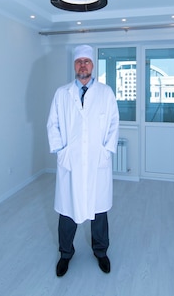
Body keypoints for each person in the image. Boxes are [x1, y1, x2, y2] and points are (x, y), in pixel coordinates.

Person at [46, 44, 120, 277]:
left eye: (87, 61)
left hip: (97, 162)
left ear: (93, 65)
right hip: (71, 162)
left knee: (99, 211)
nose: (83, 65)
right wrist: (61, 151)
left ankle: (101, 251)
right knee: (68, 211)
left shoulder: (105, 93)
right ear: (74, 65)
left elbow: (113, 125)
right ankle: (65, 254)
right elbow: (53, 124)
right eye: (79, 61)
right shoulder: (62, 94)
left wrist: (105, 152)